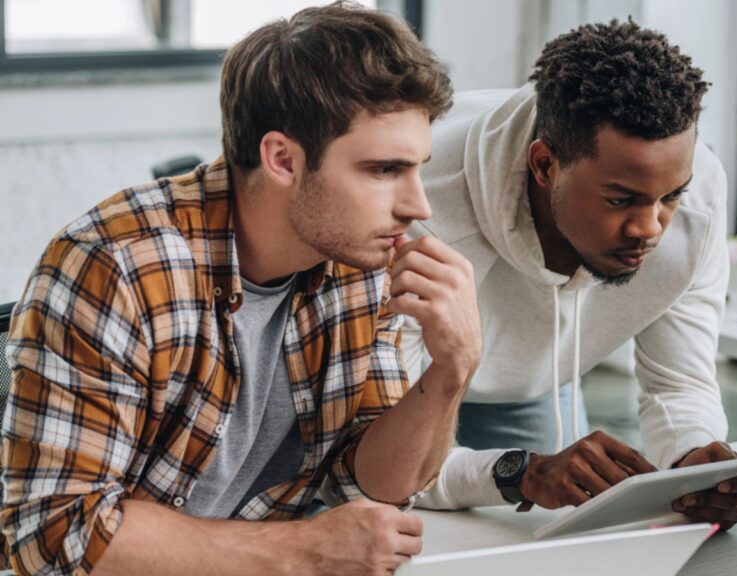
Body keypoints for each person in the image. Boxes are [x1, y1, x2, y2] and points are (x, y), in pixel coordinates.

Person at [0, 3, 480, 575]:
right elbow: (55, 534)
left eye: (418, 167)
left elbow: (368, 482)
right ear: (282, 159)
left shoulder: (358, 258)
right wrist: (304, 551)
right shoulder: (119, 267)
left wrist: (452, 368)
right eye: (383, 170)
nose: (417, 205)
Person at [404, 19, 737, 530]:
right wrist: (521, 473)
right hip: (412, 388)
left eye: (671, 196)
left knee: (553, 534)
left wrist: (694, 462)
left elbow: (679, 384)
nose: (649, 227)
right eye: (620, 200)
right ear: (545, 165)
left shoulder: (697, 200)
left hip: (534, 386)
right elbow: (380, 464)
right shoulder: (418, 210)